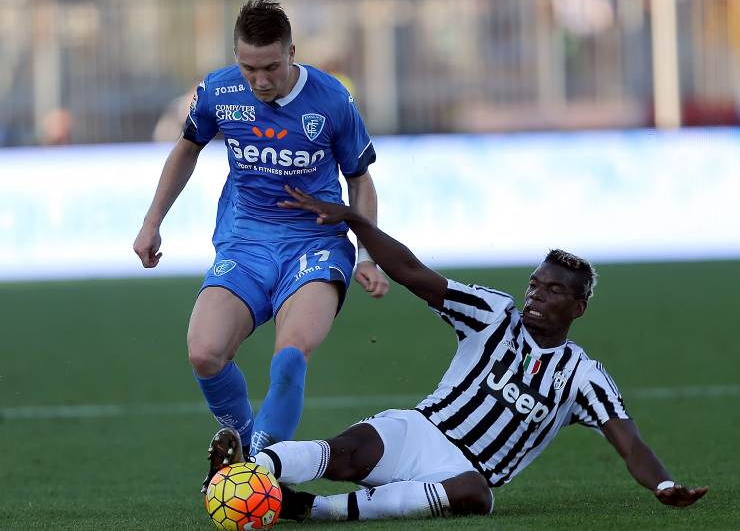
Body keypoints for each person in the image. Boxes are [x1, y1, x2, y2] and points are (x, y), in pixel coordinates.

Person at [211, 185, 706, 521]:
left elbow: (630, 443)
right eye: (535, 284)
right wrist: (357, 222)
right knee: (344, 454)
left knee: (476, 496)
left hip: (464, 473)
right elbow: (412, 273)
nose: (535, 294)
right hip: (422, 429)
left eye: (552, 291)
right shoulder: (493, 313)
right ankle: (246, 472)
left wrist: (663, 486)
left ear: (578, 307)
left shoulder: (582, 376)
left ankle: (310, 512)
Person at [132, 0, 389, 492]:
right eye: (250, 67)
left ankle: (258, 470)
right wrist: (152, 222)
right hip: (245, 243)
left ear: (292, 52)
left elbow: (360, 179)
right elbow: (186, 149)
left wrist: (369, 252)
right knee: (205, 354)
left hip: (314, 245)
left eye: (272, 66)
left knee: (290, 353)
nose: (261, 80)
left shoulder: (331, 99)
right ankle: (250, 451)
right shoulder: (219, 91)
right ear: (236, 57)